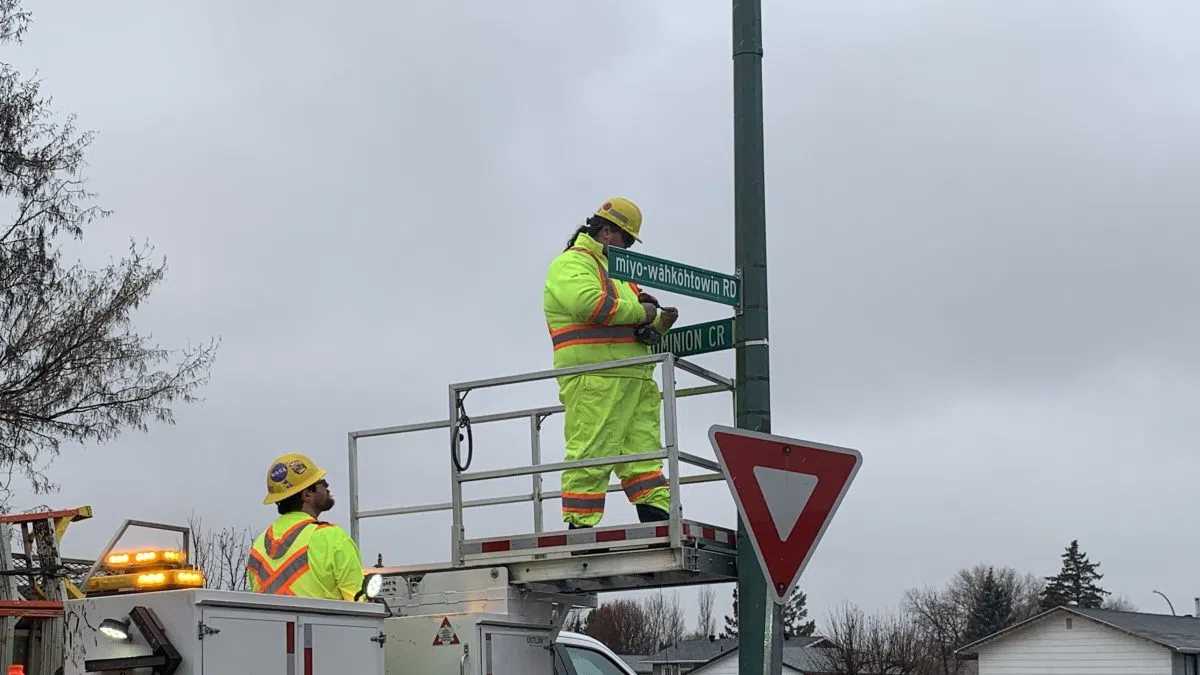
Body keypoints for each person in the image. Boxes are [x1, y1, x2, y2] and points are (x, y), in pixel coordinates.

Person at [543, 197, 680, 531]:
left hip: (635, 382)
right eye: (627, 239)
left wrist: (658, 323)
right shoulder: (573, 263)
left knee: (644, 460)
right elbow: (589, 305)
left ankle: (659, 527)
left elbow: (634, 331)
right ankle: (580, 536)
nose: (629, 247)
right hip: (595, 381)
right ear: (607, 232)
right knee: (591, 457)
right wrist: (642, 311)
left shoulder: (618, 273)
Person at [246, 453, 365, 600]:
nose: (327, 487)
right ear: (307, 494)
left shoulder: (258, 547)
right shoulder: (333, 538)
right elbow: (360, 607)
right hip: (326, 623)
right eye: (321, 482)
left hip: (270, 623)